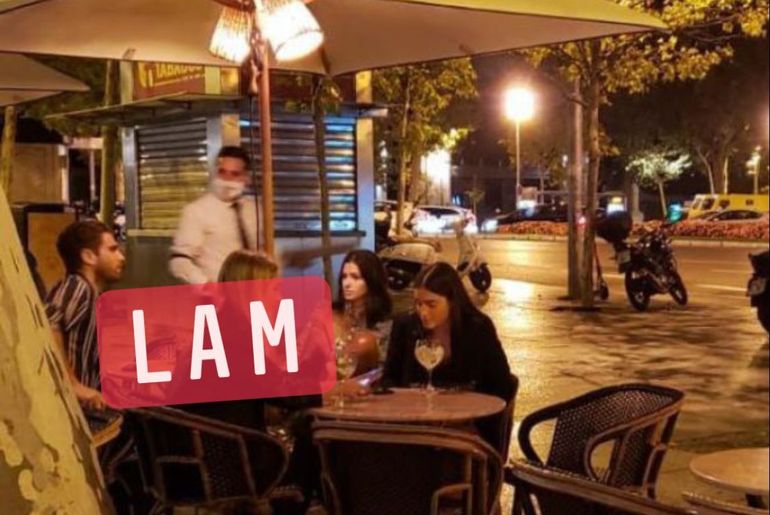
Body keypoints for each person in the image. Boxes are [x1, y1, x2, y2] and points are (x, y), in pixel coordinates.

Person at [383, 262, 515, 447]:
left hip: (466, 425)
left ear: (452, 301)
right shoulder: (406, 326)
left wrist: (468, 414)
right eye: (418, 304)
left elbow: (502, 384)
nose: (423, 312)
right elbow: (389, 378)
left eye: (432, 304)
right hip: (414, 424)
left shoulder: (477, 328)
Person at [46, 220, 126, 410]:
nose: (121, 257)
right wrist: (73, 385)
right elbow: (48, 326)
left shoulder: (92, 294)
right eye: (112, 249)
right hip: (68, 408)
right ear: (89, 256)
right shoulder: (78, 287)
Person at [169, 146, 261, 284]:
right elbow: (179, 260)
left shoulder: (254, 210)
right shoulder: (196, 211)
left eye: (235, 174)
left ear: (246, 178)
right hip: (216, 291)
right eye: (222, 172)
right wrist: (206, 285)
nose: (227, 180)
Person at [333, 250, 393, 375]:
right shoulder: (332, 314)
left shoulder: (384, 323)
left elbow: (383, 369)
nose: (347, 284)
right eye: (344, 277)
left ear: (371, 281)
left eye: (355, 277)